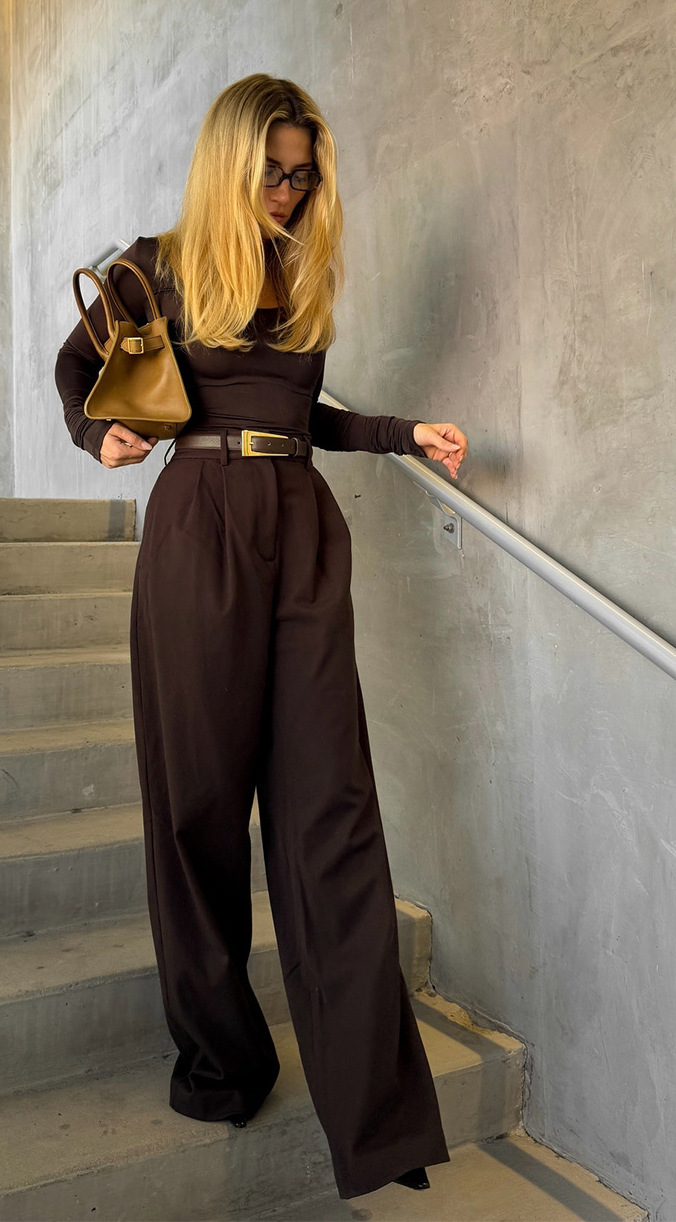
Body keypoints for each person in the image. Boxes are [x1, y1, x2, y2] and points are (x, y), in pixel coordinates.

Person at [54, 72, 467, 1202]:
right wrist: (100, 439)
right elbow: (77, 367)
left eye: (304, 173)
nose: (290, 191)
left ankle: (376, 1116)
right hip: (198, 532)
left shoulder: (297, 273)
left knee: (331, 809)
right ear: (232, 164)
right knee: (197, 809)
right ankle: (223, 1058)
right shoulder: (160, 261)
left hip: (300, 532)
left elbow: (298, 416)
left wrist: (397, 433)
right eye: (273, 171)